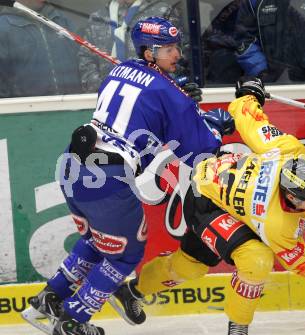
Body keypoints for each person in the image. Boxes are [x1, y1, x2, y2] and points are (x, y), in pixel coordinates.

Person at [110, 77, 305, 334]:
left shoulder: (289, 151)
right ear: (292, 197)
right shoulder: (279, 224)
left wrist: (249, 95)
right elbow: (299, 259)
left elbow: (252, 122)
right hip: (205, 200)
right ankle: (237, 328)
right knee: (256, 259)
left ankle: (131, 292)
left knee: (190, 266)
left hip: (227, 194)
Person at [21, 16, 234, 335]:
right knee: (126, 253)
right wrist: (215, 126)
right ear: (149, 53)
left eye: (176, 47)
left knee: (99, 240)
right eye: (169, 49)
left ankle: (48, 300)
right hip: (106, 176)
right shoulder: (169, 93)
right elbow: (198, 149)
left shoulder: (117, 71)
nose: (177, 54)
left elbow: (146, 103)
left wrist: (181, 100)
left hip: (72, 162)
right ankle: (72, 320)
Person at [78, 0, 194, 94]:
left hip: (151, 96)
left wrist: (163, 88)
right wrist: (103, 88)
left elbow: (179, 54)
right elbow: (86, 56)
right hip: (108, 99)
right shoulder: (98, 17)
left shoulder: (162, 11)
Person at [0, 0, 82, 97]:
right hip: (29, 108)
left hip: (74, 105)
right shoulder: (4, 28)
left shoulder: (62, 20)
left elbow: (83, 63)